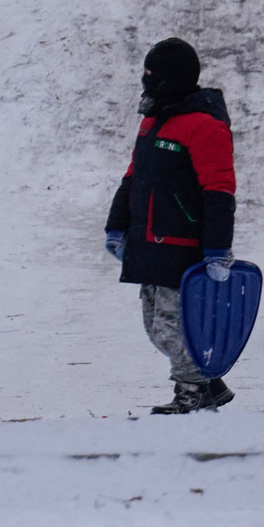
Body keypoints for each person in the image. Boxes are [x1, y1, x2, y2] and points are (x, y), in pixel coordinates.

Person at [105, 38, 238, 414]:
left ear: (173, 80)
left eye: (153, 75)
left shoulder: (204, 126)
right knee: (153, 324)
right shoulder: (152, 122)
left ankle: (193, 392)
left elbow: (219, 191)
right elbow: (133, 177)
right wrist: (116, 227)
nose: (146, 81)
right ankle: (209, 384)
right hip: (149, 241)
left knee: (170, 326)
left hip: (184, 245)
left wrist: (217, 250)